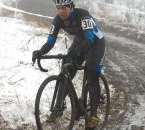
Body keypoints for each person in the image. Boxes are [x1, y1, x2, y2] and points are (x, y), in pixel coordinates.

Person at [32, 0, 106, 128]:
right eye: (58, 8)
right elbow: (50, 41)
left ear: (71, 7)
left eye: (64, 8)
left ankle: (93, 116)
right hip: (80, 41)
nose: (60, 11)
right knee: (66, 71)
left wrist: (76, 52)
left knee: (91, 75)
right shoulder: (57, 20)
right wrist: (40, 52)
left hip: (95, 43)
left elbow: (89, 39)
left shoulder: (83, 15)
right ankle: (58, 108)